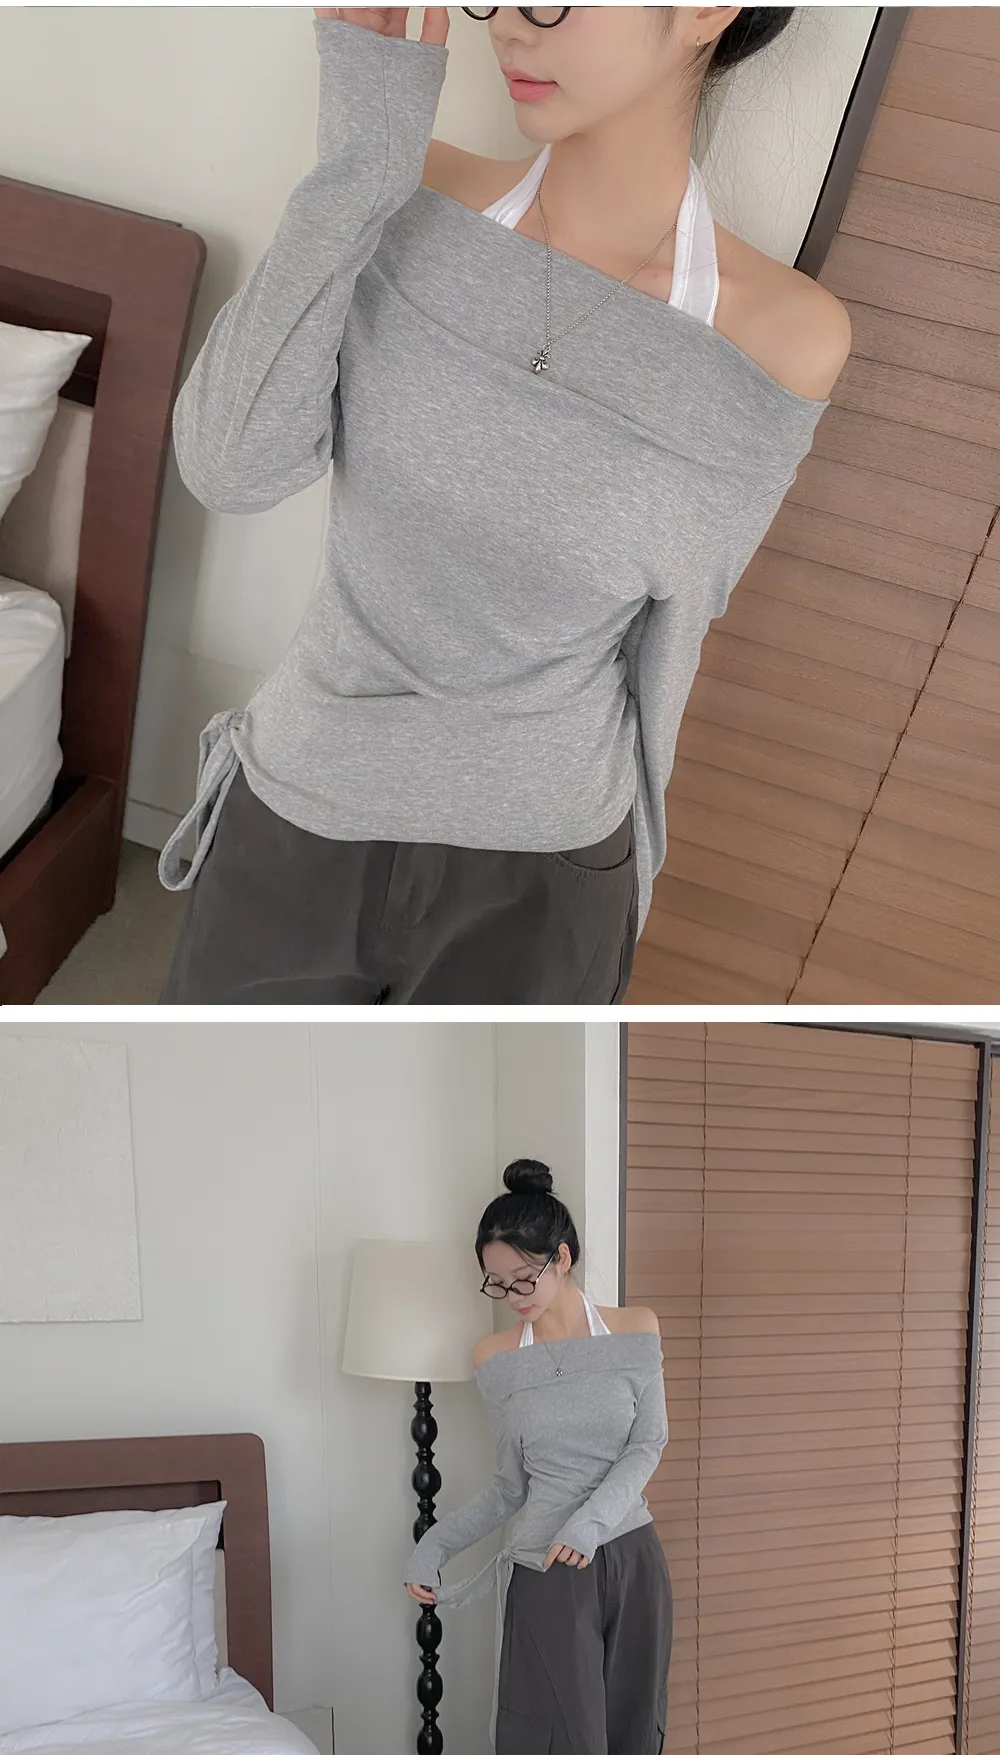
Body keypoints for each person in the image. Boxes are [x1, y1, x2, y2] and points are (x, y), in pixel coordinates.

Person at [156, 3, 851, 1004]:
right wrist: (360, 163)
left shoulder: (784, 339)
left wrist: (626, 888)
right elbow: (231, 467)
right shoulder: (403, 189)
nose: (511, 29)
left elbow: (669, 645)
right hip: (305, 792)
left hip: (543, 864)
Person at [405, 1156, 672, 1755]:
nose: (511, 1296)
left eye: (522, 1278)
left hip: (629, 1564)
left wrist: (590, 1524)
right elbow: (508, 1488)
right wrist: (435, 1545)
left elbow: (648, 1445)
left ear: (562, 1258)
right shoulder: (496, 1359)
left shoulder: (634, 1329)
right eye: (495, 1283)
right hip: (547, 1583)